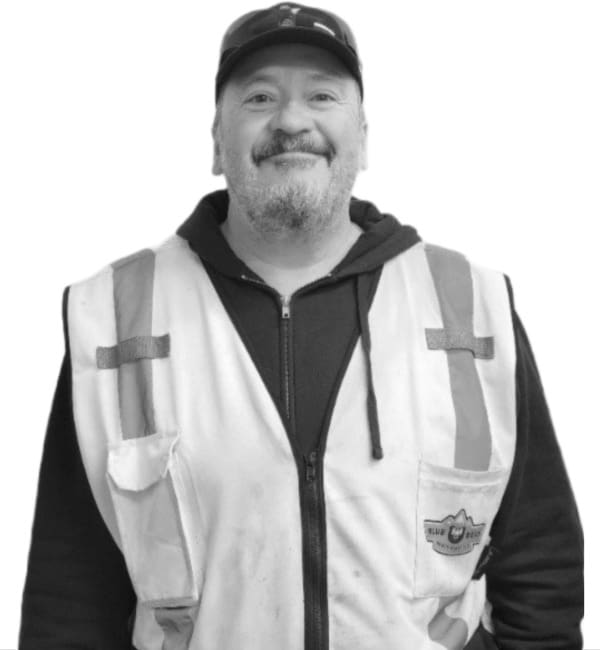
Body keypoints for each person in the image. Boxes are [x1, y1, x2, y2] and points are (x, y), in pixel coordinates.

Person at [19, 3, 583, 649]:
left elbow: (539, 561)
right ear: (215, 140)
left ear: (364, 136)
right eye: (259, 97)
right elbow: (72, 589)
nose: (291, 121)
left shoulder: (469, 302)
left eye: (321, 95)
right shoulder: (115, 315)